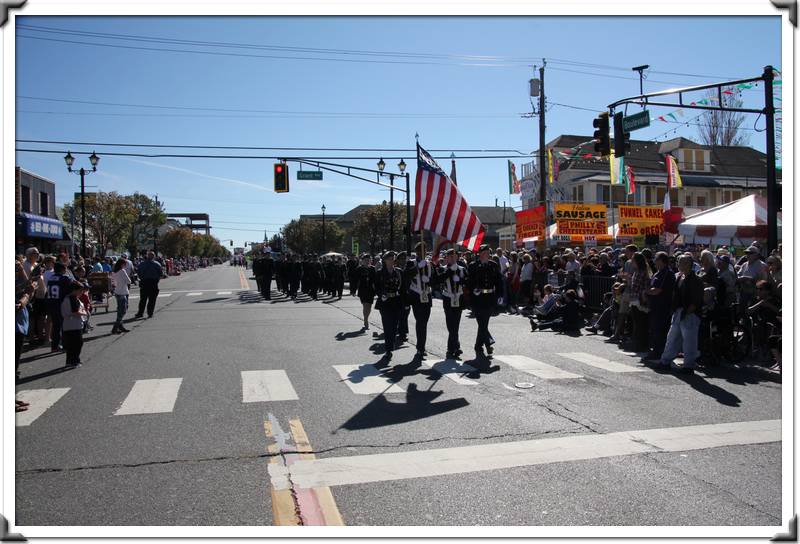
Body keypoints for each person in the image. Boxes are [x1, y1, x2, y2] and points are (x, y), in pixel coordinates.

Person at [657, 254, 704, 373]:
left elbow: (696, 300)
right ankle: (665, 361)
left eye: (682, 262)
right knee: (672, 338)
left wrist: (688, 312)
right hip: (679, 312)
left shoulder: (696, 280)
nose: (679, 264)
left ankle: (689, 366)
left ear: (689, 265)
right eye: (679, 262)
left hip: (690, 314)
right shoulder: (679, 277)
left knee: (689, 342)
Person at [467, 244, 503, 358]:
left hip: (489, 297)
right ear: (480, 254)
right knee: (481, 323)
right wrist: (473, 289)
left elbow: (499, 281)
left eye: (488, 253)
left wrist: (500, 294)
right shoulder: (473, 266)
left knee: (484, 323)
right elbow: (469, 281)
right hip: (478, 298)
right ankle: (488, 343)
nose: (487, 255)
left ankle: (479, 346)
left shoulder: (493, 265)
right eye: (485, 253)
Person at [643, 252, 675, 362]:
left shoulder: (666, 273)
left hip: (662, 307)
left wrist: (645, 291)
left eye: (656, 259)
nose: (655, 261)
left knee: (659, 331)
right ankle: (656, 350)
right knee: (654, 329)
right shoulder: (658, 273)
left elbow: (657, 290)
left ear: (661, 260)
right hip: (655, 306)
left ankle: (658, 352)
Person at [405, 242, 436, 357]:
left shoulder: (429, 264)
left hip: (427, 296)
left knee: (425, 323)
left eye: (424, 251)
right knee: (420, 322)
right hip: (416, 296)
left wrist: (429, 280)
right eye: (419, 251)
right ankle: (420, 347)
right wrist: (418, 267)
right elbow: (406, 275)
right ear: (416, 252)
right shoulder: (411, 263)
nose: (422, 253)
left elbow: (435, 280)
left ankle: (422, 346)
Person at [436, 248, 468, 359]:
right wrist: (450, 272)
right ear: (447, 258)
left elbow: (468, 282)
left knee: (456, 324)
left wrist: (459, 279)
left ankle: (452, 348)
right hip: (448, 298)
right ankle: (455, 346)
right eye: (450, 256)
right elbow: (438, 280)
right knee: (451, 324)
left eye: (454, 256)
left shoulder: (462, 269)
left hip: (458, 298)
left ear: (457, 257)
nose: (452, 258)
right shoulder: (443, 269)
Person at [374, 251, 405, 359]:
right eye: (389, 259)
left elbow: (403, 287)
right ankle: (388, 349)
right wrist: (381, 294)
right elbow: (376, 286)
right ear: (385, 260)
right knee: (387, 326)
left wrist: (405, 302)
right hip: (385, 302)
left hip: (396, 300)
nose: (392, 260)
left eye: (393, 258)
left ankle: (390, 345)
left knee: (394, 326)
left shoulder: (399, 272)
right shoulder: (379, 273)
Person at [627, 253, 652, 354]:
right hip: (634, 299)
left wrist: (643, 298)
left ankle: (642, 345)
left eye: (633, 260)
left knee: (641, 324)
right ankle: (638, 344)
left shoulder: (643, 272)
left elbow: (646, 286)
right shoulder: (636, 272)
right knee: (637, 323)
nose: (631, 262)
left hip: (640, 301)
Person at [46, 262, 73, 352]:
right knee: (65, 325)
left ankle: (54, 346)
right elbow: (70, 291)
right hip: (61, 303)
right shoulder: (65, 278)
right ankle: (65, 345)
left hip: (51, 303)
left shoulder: (51, 278)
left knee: (56, 326)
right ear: (62, 269)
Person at [61, 280, 88, 368]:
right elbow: (76, 312)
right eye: (80, 291)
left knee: (70, 345)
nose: (81, 293)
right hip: (74, 325)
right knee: (77, 344)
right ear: (74, 290)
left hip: (68, 325)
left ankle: (69, 361)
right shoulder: (72, 298)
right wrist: (84, 313)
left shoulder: (67, 298)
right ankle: (75, 361)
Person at [134, 251, 162, 319]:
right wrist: (157, 279)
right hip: (153, 283)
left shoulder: (142, 264)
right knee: (152, 299)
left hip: (144, 282)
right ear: (154, 257)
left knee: (143, 299)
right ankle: (150, 313)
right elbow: (160, 273)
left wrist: (142, 278)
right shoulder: (157, 264)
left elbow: (138, 273)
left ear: (147, 256)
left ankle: (140, 313)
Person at [353, 254, 376, 330]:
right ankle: (366, 320)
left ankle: (366, 318)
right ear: (362, 261)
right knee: (365, 305)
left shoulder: (372, 269)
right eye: (365, 260)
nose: (367, 261)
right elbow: (355, 280)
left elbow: (376, 281)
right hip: (362, 290)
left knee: (369, 306)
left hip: (370, 290)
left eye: (369, 260)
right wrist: (353, 290)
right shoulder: (359, 269)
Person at [111, 257, 132, 334]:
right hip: (123, 292)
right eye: (125, 264)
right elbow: (129, 281)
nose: (125, 265)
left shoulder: (114, 272)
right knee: (123, 310)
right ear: (122, 264)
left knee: (120, 309)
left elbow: (113, 283)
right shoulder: (122, 271)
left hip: (117, 292)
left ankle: (120, 325)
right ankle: (116, 327)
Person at [395, 251, 411, 344]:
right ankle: (402, 332)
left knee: (405, 315)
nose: (403, 260)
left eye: (404, 259)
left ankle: (402, 332)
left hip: (407, 295)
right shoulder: (395, 270)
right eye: (401, 259)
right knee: (401, 315)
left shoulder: (408, 269)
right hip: (398, 295)